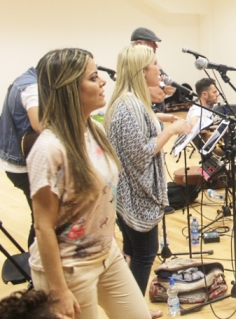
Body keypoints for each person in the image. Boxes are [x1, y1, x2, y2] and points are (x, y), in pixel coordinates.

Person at [27, 48, 150, 319]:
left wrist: (113, 241)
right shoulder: (49, 149)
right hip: (68, 268)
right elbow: (43, 226)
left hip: (107, 256)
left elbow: (103, 200)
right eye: (94, 77)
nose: (103, 82)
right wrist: (58, 291)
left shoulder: (96, 131)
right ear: (69, 88)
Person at [104, 45, 191, 314]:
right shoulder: (129, 105)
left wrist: (156, 117)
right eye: (155, 64)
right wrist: (172, 129)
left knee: (133, 252)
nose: (160, 69)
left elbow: (136, 133)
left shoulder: (131, 102)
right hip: (135, 196)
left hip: (128, 194)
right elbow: (141, 152)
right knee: (144, 254)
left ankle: (131, 307)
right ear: (143, 73)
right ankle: (133, 312)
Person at [0, 67, 41, 247]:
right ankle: (36, 267)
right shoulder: (32, 87)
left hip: (14, 162)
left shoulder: (25, 79)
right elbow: (39, 124)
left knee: (41, 216)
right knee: (42, 219)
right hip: (22, 166)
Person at [130, 28, 176, 113]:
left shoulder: (154, 64)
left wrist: (160, 88)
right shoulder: (129, 66)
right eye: (152, 42)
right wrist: (160, 88)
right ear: (139, 44)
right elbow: (157, 96)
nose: (156, 46)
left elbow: (171, 88)